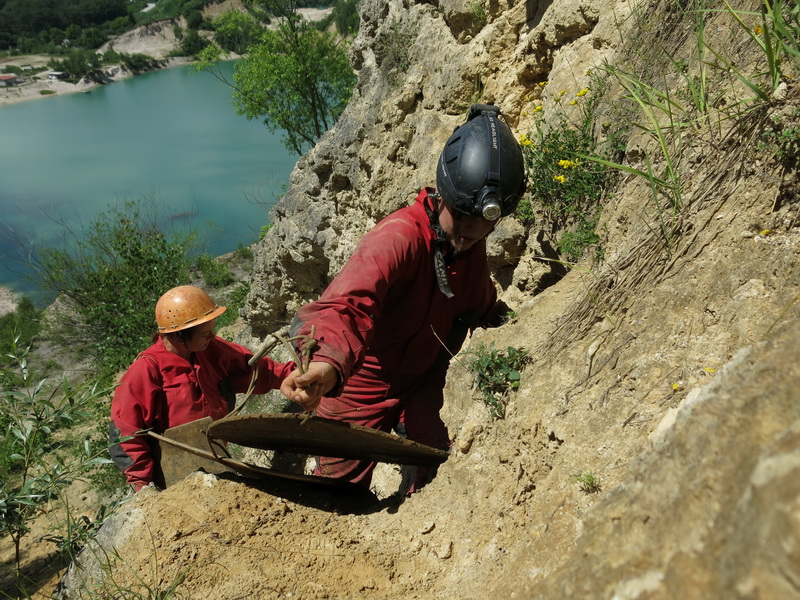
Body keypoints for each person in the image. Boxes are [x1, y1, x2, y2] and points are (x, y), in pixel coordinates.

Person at [280, 104, 526, 492]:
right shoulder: (397, 238)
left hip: (429, 374)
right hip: (365, 378)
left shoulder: (467, 242)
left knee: (440, 471)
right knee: (335, 485)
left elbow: (476, 302)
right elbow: (346, 304)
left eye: (484, 229)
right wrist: (326, 364)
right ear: (444, 195)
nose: (470, 236)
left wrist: (509, 323)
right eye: (463, 223)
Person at [110, 285, 296, 491]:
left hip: (216, 459)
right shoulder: (146, 370)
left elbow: (252, 368)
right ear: (180, 336)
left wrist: (289, 377)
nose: (212, 336)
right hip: (174, 478)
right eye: (205, 333)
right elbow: (126, 435)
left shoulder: (210, 350)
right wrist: (143, 487)